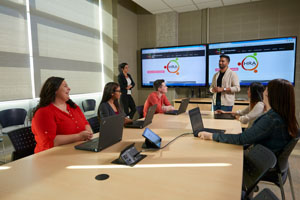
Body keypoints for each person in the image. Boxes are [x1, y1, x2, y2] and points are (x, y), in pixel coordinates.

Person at [198, 79, 298, 154]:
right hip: (265, 160)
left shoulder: (271, 119)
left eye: (266, 89)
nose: (263, 92)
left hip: (256, 162)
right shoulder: (283, 116)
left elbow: (242, 139)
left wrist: (211, 136)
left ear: (272, 95)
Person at [32, 77, 93, 153]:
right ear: (55, 90)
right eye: (65, 86)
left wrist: (88, 133)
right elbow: (51, 141)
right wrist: (79, 136)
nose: (69, 88)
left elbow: (85, 123)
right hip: (50, 156)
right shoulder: (43, 112)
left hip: (75, 150)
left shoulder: (74, 107)